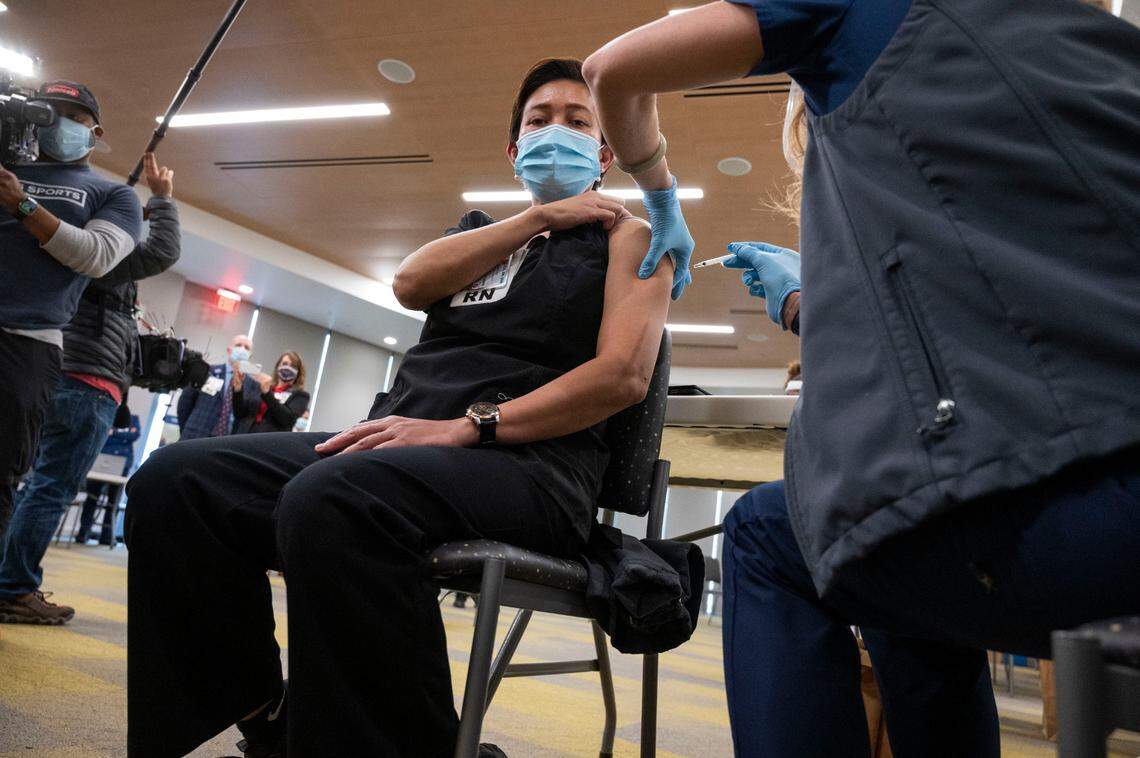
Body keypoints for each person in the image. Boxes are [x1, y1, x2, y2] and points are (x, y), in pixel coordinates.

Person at [583, 2, 1140, 756]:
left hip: (1085, 516)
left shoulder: (866, 16)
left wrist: (659, 196)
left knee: (788, 532)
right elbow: (1015, 299)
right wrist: (808, 302)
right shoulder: (1096, 43)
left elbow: (611, 70)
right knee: (891, 534)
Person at [124, 57, 673, 758]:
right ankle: (270, 720)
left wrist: (469, 427)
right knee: (177, 484)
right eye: (539, 121)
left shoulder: (633, 235)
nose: (555, 132)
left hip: (532, 466)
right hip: (399, 445)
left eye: (576, 121)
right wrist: (534, 219)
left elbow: (622, 376)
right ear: (515, 151)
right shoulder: (481, 234)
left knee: (337, 498)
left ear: (604, 153)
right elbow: (411, 282)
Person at [0, 152, 179, 625]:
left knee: (20, 481)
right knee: (49, 488)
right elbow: (162, 250)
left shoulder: (34, 250)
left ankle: (9, 582)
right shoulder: (96, 261)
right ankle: (13, 588)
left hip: (45, 369)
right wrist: (161, 200)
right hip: (87, 380)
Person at [0, 80, 142, 543]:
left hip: (27, 343)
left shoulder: (113, 197)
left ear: (95, 132)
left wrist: (21, 203)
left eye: (74, 117)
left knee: (4, 471)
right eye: (50, 113)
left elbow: (95, 256)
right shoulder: (8, 166)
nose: (60, 124)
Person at [176, 333, 261, 440]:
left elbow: (247, 418)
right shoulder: (207, 372)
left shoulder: (254, 386)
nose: (242, 349)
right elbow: (185, 402)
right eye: (238, 345)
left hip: (227, 444)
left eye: (247, 348)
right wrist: (187, 429)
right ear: (229, 350)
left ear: (250, 355)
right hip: (195, 436)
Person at [76, 413, 141, 545]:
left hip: (122, 465)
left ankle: (106, 536)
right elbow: (104, 432)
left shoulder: (133, 418)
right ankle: (83, 533)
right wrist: (122, 434)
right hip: (99, 462)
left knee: (113, 502)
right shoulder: (109, 413)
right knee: (91, 499)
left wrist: (114, 432)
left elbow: (134, 435)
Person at [232, 351, 311, 435]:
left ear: (298, 371)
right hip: (245, 436)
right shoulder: (261, 386)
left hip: (270, 442)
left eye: (293, 366)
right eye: (284, 363)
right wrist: (238, 389)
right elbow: (239, 413)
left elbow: (287, 420)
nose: (287, 367)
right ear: (278, 366)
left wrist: (267, 393)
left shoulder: (301, 396)